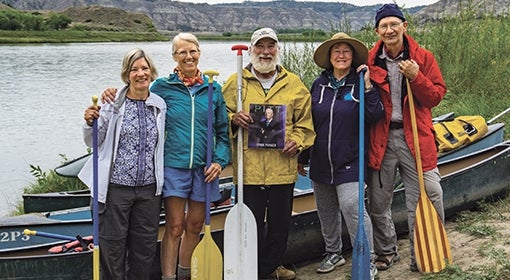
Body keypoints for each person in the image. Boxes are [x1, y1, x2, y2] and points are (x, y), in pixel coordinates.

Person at [101, 33, 231, 280]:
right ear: (174, 56)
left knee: (194, 226)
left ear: (199, 52)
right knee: (174, 227)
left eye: (192, 51)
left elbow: (223, 132)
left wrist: (219, 161)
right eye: (182, 52)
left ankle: (184, 275)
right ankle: (168, 277)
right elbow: (135, 90)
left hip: (205, 169)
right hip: (173, 167)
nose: (188, 56)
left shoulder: (213, 89)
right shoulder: (163, 87)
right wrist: (111, 92)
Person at [222, 27, 316, 280]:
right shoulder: (235, 83)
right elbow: (220, 118)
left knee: (279, 225)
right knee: (247, 225)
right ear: (251, 50)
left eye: (270, 46)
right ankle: (248, 269)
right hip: (249, 169)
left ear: (277, 49)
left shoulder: (294, 84)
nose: (265, 52)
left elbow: (305, 124)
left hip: (281, 168)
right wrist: (233, 119)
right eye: (260, 46)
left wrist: (297, 141)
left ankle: (271, 267)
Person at [366, 3, 447, 272]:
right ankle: (387, 251)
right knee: (378, 202)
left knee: (429, 193)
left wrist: (416, 77)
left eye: (394, 24)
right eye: (384, 26)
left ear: (404, 26)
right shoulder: (369, 61)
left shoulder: (422, 57)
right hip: (382, 138)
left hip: (416, 136)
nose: (389, 30)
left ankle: (424, 255)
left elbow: (435, 96)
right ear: (377, 30)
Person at [297, 32, 384, 277]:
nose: (341, 55)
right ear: (329, 57)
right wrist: (303, 156)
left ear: (353, 56)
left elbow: (375, 115)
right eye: (337, 51)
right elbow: (309, 121)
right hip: (321, 160)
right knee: (326, 210)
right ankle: (333, 253)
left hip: (350, 159)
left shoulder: (360, 82)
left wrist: (367, 85)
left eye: (346, 51)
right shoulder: (318, 84)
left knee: (351, 206)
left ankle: (367, 257)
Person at [78, 48, 166, 280]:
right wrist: (89, 122)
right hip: (115, 189)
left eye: (144, 68)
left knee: (144, 250)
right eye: (134, 69)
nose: (140, 73)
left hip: (148, 191)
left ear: (151, 72)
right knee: (112, 248)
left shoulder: (159, 105)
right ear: (126, 75)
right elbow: (92, 141)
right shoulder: (112, 103)